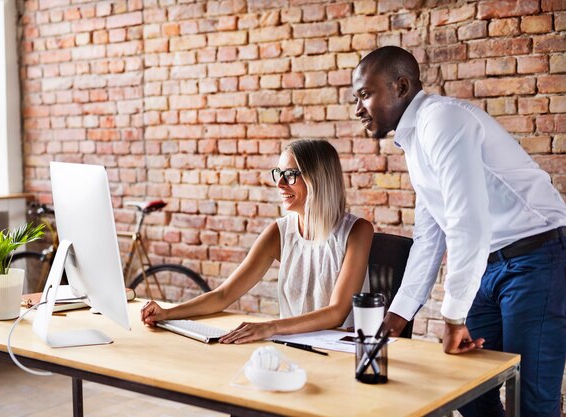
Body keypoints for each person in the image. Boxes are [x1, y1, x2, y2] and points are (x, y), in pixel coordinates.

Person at [352, 45, 566, 417]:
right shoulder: (415, 140)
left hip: (538, 259)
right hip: (491, 265)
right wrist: (399, 314)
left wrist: (453, 318)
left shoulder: (442, 121)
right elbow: (431, 234)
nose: (358, 110)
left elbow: (469, 222)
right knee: (468, 391)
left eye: (365, 95)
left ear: (401, 87)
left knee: (531, 403)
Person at [141, 139, 374, 344]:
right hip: (293, 346)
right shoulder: (279, 232)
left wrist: (269, 327)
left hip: (342, 350)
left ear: (319, 178)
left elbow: (336, 313)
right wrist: (168, 313)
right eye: (278, 173)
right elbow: (224, 295)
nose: (280, 184)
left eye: (291, 174)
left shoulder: (357, 231)